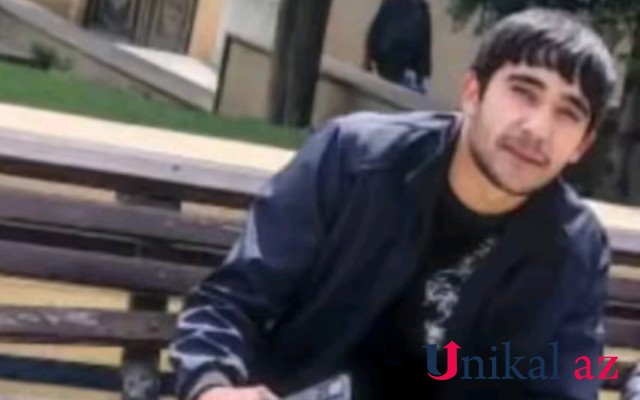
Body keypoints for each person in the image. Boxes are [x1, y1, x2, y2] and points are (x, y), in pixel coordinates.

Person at [170, 8, 618, 400]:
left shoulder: (575, 247)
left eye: (568, 113)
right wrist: (214, 386)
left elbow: (567, 382)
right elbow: (234, 299)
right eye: (524, 91)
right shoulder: (352, 158)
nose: (537, 127)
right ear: (473, 92)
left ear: (582, 145)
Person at [363, 0, 431, 93]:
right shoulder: (420, 9)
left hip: (397, 65)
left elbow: (374, 32)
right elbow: (375, 31)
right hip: (391, 63)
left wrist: (367, 62)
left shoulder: (421, 9)